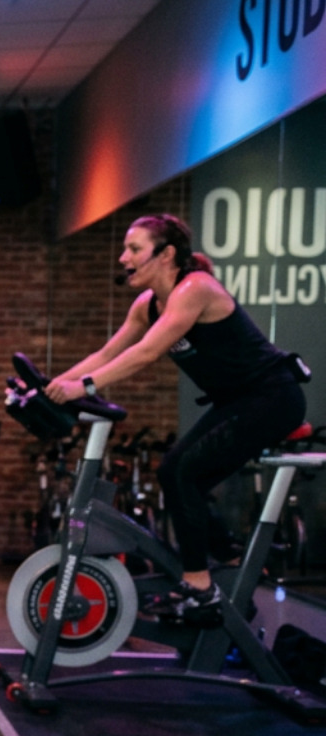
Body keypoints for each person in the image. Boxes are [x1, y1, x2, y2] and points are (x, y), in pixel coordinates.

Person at [44, 213, 306, 619]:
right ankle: (231, 556)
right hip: (236, 401)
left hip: (271, 398)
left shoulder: (196, 289)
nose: (122, 258)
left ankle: (200, 588)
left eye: (133, 249)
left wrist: (86, 388)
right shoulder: (146, 305)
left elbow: (147, 353)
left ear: (166, 254)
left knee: (183, 473)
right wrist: (50, 388)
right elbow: (106, 354)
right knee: (173, 472)